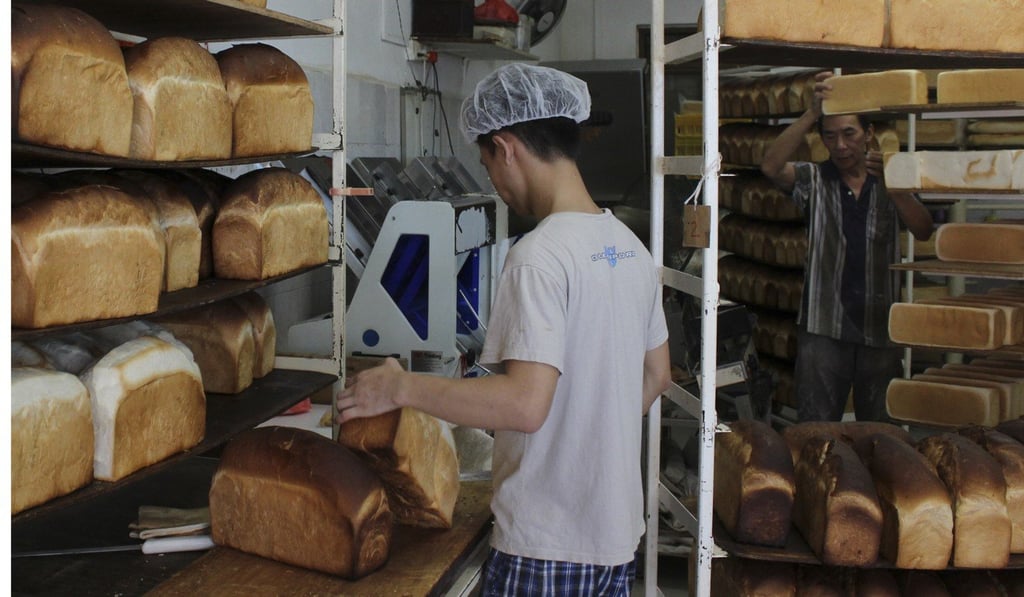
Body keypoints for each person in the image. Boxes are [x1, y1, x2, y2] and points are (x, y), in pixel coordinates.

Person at [336, 63, 671, 595]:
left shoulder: (537, 255)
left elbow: (523, 404)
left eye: (486, 160)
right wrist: (587, 429)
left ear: (507, 146)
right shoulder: (629, 246)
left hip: (547, 548)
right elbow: (656, 372)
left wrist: (400, 386)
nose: (493, 179)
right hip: (615, 540)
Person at [760, 71, 934, 423]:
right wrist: (811, 114)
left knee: (880, 433)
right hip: (824, 328)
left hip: (880, 327)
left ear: (868, 134)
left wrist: (896, 187)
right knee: (817, 431)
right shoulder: (814, 180)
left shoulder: (890, 181)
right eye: (830, 136)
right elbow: (770, 166)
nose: (840, 145)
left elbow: (924, 230)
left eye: (849, 134)